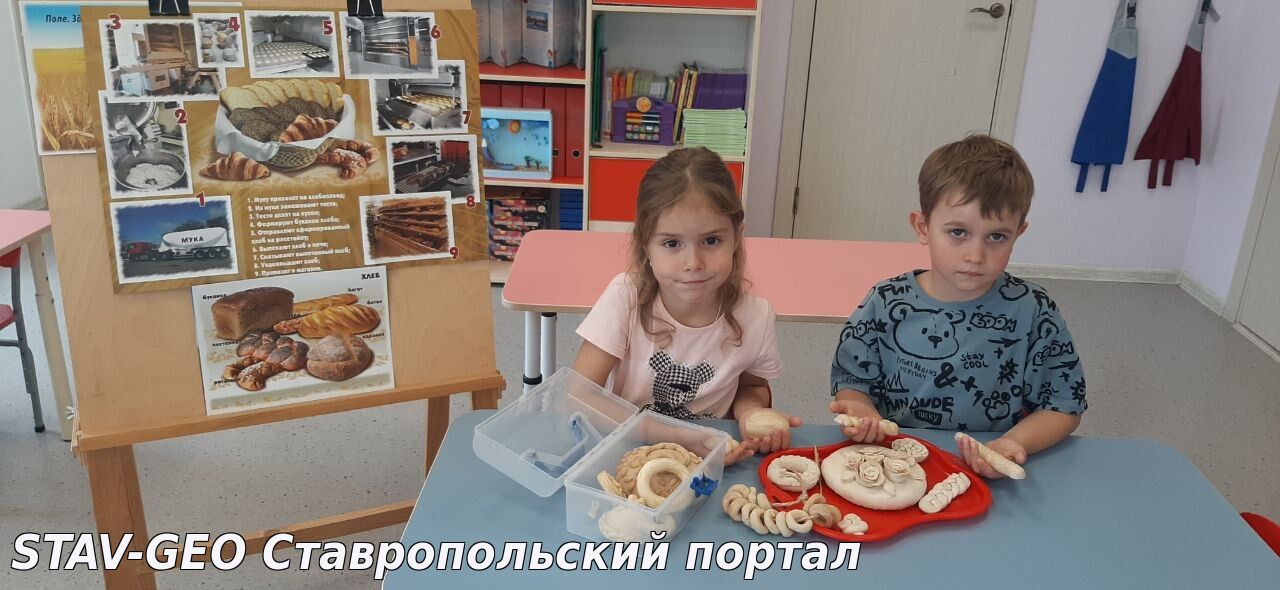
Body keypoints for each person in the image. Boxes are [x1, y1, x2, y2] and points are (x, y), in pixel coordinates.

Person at [830, 134, 1088, 478]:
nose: (975, 255)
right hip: (893, 466)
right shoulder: (885, 302)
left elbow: (1064, 405)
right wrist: (862, 412)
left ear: (1018, 233)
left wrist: (1013, 444)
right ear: (923, 227)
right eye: (958, 232)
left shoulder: (1034, 311)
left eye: (996, 236)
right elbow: (852, 381)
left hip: (988, 468)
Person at [573, 147, 797, 465]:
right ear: (645, 245)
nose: (693, 263)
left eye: (711, 241)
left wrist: (750, 413)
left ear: (737, 237)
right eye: (672, 243)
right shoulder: (626, 298)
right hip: (630, 452)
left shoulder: (755, 316)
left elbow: (752, 386)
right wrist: (678, 437)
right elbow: (579, 395)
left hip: (711, 458)